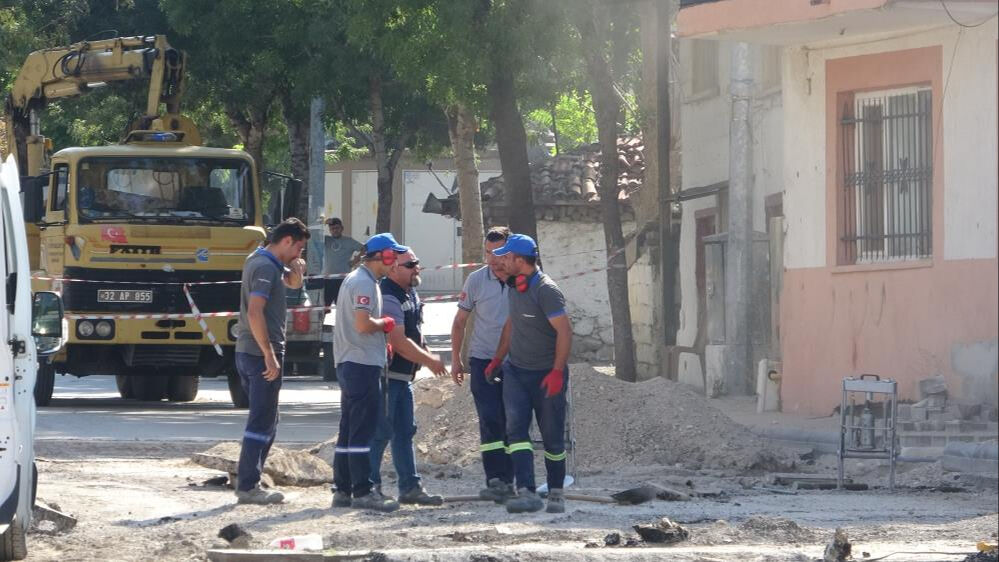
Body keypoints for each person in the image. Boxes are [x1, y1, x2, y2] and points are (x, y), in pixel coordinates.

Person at [486, 234, 573, 514]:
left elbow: (565, 331)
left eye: (506, 256)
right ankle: (526, 491)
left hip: (546, 374)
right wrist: (498, 358)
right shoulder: (514, 286)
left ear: (519, 260)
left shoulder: (546, 290)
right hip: (516, 372)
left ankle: (556, 491)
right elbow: (512, 324)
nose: (501, 260)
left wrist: (557, 371)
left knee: (552, 434)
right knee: (516, 431)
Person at [330, 232, 407, 512]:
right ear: (382, 256)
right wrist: (385, 324)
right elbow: (363, 324)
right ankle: (362, 490)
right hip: (361, 363)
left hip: (350, 361)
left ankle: (342, 489)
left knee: (349, 429)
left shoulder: (357, 279)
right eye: (392, 256)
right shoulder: (364, 283)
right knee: (362, 430)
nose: (395, 261)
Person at [234, 218, 309, 504]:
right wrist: (268, 354)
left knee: (268, 418)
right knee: (261, 419)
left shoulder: (263, 260)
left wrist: (297, 271)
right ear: (286, 241)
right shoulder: (266, 267)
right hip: (259, 353)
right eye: (298, 248)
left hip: (249, 351)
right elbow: (255, 312)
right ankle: (248, 486)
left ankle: (251, 479)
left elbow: (292, 284)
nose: (299, 254)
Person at [369, 249, 448, 505]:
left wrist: (425, 352)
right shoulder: (389, 294)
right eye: (411, 264)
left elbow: (415, 331)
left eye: (417, 262)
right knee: (380, 433)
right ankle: (369, 488)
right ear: (393, 269)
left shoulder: (409, 291)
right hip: (387, 377)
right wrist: (430, 360)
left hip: (403, 378)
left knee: (404, 432)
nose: (417, 268)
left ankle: (410, 488)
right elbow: (399, 341)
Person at [450, 226, 515, 503]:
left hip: (516, 362)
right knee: (489, 419)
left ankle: (511, 479)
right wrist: (455, 359)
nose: (492, 259)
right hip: (482, 360)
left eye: (498, 253)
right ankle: (495, 479)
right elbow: (460, 322)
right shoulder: (476, 280)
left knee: (513, 420)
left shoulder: (522, 280)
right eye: (488, 253)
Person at [323, 217, 363, 308]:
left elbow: (364, 249)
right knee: (324, 307)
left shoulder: (349, 241)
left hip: (343, 279)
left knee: (342, 307)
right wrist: (323, 223)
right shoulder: (326, 239)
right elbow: (313, 236)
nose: (335, 230)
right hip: (327, 279)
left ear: (342, 228)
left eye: (337, 228)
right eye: (332, 229)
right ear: (329, 230)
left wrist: (354, 261)